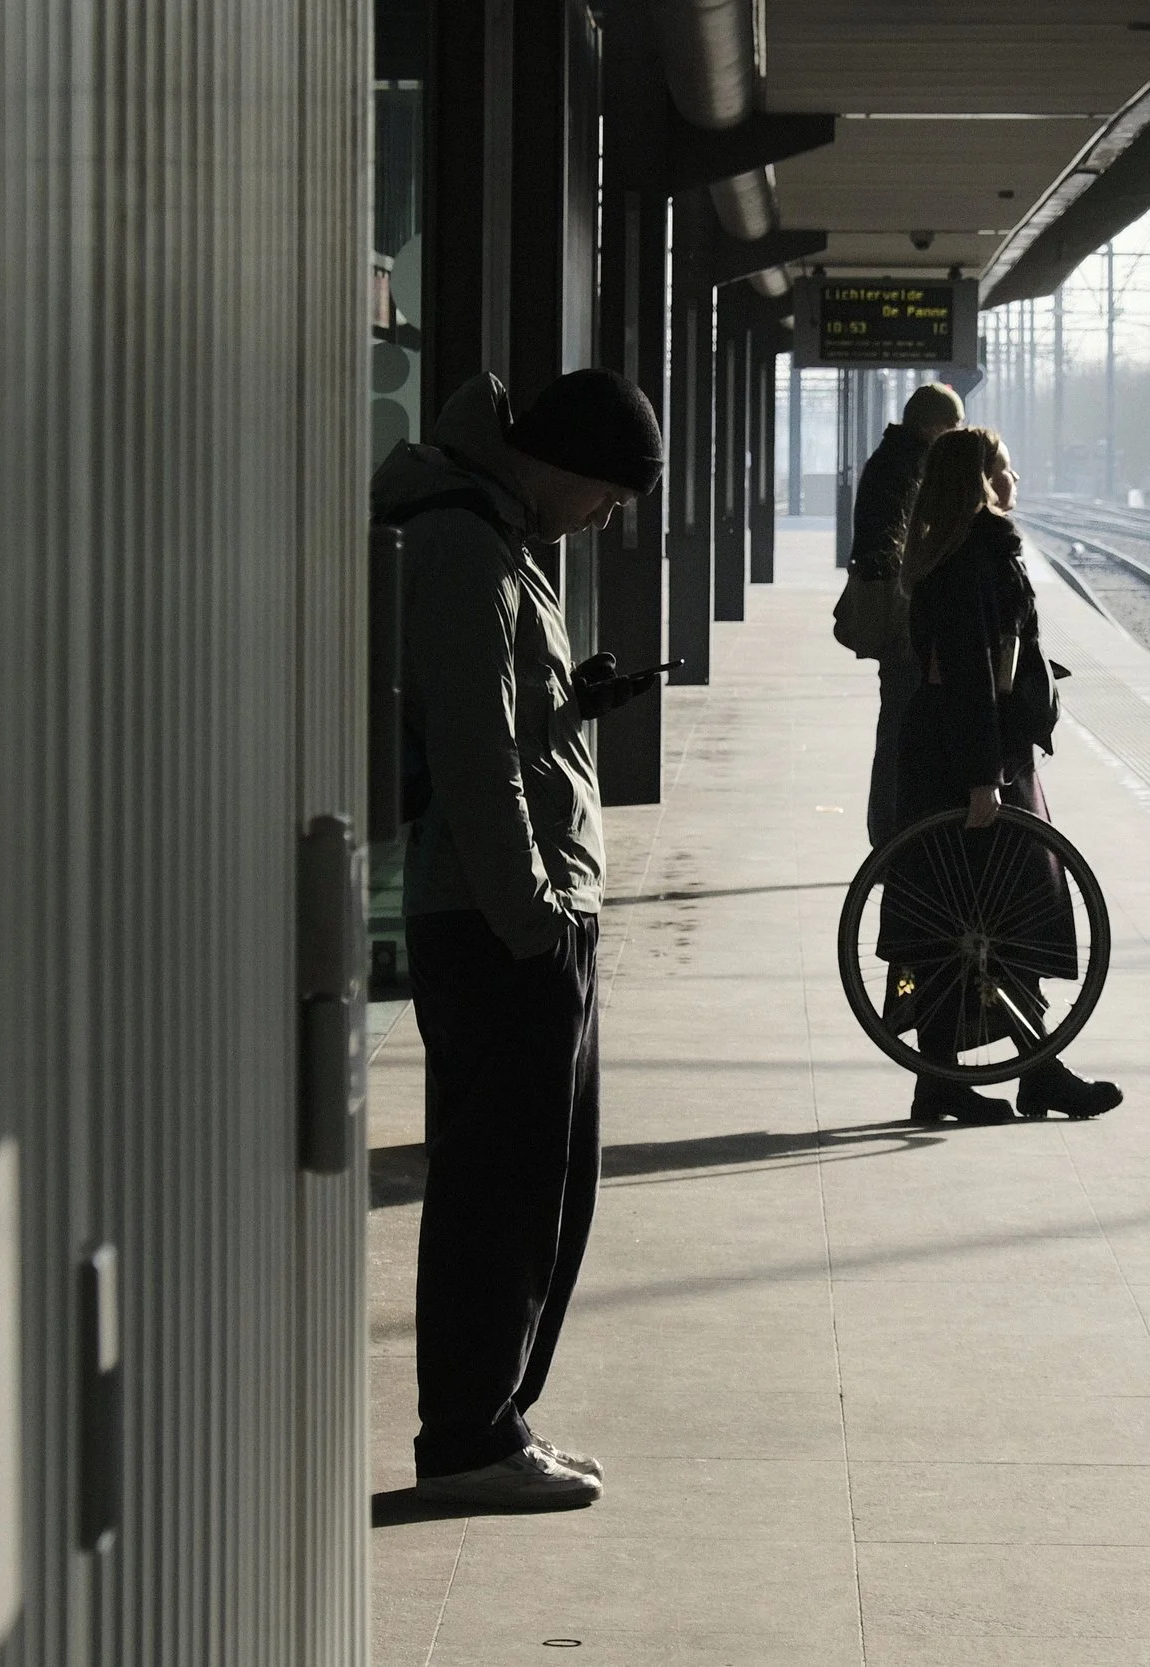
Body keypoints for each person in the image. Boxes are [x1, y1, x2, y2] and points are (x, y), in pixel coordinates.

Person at [370, 368, 664, 1511]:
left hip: (519, 912)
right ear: (565, 462)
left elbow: (505, 722)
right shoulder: (463, 545)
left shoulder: (496, 534)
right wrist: (534, 918)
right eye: (608, 497)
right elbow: (473, 756)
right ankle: (467, 1436)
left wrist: (572, 703)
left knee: (536, 1185)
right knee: (502, 1190)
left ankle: (494, 1419)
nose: (603, 520)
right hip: (500, 922)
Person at [886, 426, 1124, 1125]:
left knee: (955, 921)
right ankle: (1027, 1074)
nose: (1015, 480)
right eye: (1006, 469)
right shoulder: (975, 559)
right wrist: (983, 776)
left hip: (948, 749)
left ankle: (954, 1078)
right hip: (974, 757)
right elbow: (970, 673)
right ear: (982, 482)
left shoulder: (945, 552)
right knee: (998, 917)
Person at [851, 382, 965, 844]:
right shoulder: (909, 466)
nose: (955, 434)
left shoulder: (891, 459)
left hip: (895, 613)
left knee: (896, 723)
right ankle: (892, 834)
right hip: (901, 619)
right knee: (902, 727)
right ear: (932, 425)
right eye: (952, 425)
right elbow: (902, 549)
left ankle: (890, 832)